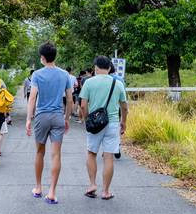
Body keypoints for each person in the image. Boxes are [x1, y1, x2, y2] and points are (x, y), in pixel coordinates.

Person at [25, 42, 73, 204]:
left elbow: (32, 97)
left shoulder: (37, 75)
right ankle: (52, 192)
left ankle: (38, 188)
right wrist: (66, 118)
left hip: (42, 117)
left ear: (43, 58)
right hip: (58, 116)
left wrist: (28, 118)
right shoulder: (65, 74)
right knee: (56, 154)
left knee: (39, 152)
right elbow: (70, 99)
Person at [79, 56, 128, 199]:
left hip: (95, 123)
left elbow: (83, 105)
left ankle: (92, 185)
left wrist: (87, 118)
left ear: (95, 68)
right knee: (109, 158)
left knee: (91, 153)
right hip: (112, 123)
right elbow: (124, 107)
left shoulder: (89, 82)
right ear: (109, 68)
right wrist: (123, 122)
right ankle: (106, 191)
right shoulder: (118, 83)